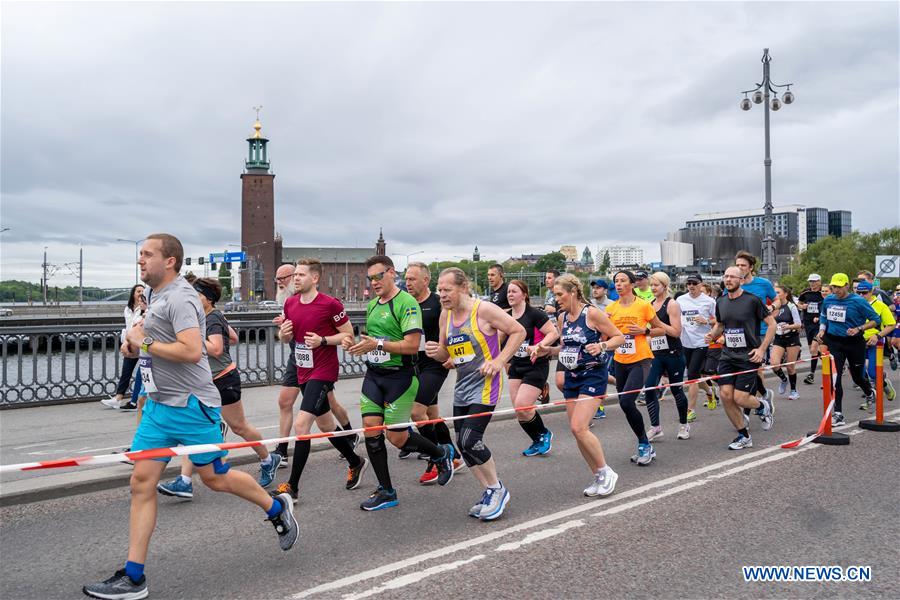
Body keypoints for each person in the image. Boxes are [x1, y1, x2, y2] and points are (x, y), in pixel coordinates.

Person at [83, 234, 297, 600]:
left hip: (193, 406)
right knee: (141, 482)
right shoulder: (154, 295)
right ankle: (134, 577)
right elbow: (152, 338)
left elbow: (192, 350)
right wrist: (134, 342)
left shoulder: (181, 297)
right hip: (158, 406)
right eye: (140, 255)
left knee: (215, 478)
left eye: (147, 255)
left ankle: (277, 507)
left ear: (169, 261)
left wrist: (145, 343)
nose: (140, 261)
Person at [344, 256, 455, 511]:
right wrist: (355, 345)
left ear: (392, 273)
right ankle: (386, 490)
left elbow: (412, 345)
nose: (374, 282)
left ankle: (440, 453)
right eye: (370, 278)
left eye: (378, 276)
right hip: (374, 375)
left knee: (397, 437)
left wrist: (378, 344)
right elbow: (373, 340)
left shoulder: (407, 304)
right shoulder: (372, 305)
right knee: (371, 430)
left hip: (400, 378)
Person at [156, 278, 282, 499]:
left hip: (223, 380)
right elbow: (232, 337)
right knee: (192, 428)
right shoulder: (204, 317)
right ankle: (185, 481)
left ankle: (268, 459)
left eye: (196, 294)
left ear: (208, 298)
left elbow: (216, 348)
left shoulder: (213, 317)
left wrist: (190, 340)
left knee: (239, 426)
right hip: (203, 382)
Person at [425, 267, 525, 520]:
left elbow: (518, 332)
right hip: (462, 386)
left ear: (463, 287)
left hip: (486, 385)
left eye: (447, 290)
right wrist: (435, 352)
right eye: (439, 290)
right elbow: (447, 354)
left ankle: (498, 489)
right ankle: (489, 490)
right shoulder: (445, 316)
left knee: (470, 440)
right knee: (461, 442)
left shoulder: (483, 310)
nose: (443, 295)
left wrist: (500, 360)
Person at [274, 259, 367, 502]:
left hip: (323, 371)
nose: (296, 278)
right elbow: (284, 337)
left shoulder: (330, 304)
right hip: (303, 370)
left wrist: (324, 341)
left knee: (302, 425)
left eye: (301, 275)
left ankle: (292, 487)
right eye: (294, 274)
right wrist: (282, 335)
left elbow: (348, 336)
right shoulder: (291, 303)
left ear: (315, 278)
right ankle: (356, 461)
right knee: (326, 426)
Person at [534, 274, 625, 494]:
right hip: (572, 376)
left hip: (593, 375)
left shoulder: (591, 313)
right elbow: (565, 348)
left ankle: (606, 471)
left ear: (573, 292)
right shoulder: (562, 317)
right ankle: (598, 476)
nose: (556, 299)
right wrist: (548, 351)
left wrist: (602, 347)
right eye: (554, 295)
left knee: (579, 427)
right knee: (577, 432)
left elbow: (618, 337)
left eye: (559, 294)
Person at [705, 266, 776, 451]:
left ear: (741, 280)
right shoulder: (720, 301)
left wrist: (761, 349)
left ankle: (762, 406)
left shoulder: (752, 301)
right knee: (726, 396)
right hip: (728, 355)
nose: (728, 279)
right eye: (726, 276)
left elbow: (772, 325)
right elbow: (721, 324)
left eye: (732, 277)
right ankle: (743, 436)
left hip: (748, 356)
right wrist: (712, 335)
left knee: (741, 398)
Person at [404, 262, 463, 485]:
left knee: (417, 413)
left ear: (426, 280)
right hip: (413, 364)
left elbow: (457, 329)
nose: (407, 283)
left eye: (412, 279)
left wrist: (454, 356)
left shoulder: (438, 303)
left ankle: (437, 460)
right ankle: (454, 457)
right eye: (406, 279)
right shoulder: (405, 303)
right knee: (432, 415)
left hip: (435, 364)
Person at [605, 270, 667, 465]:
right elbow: (605, 335)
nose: (619, 284)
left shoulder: (643, 306)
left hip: (640, 360)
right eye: (616, 281)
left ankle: (644, 444)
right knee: (626, 404)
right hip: (619, 361)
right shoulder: (612, 308)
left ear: (632, 284)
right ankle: (646, 443)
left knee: (625, 402)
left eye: (623, 280)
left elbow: (661, 329)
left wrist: (644, 331)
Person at [815, 273, 881, 427]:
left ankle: (869, 391)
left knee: (857, 377)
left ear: (846, 286)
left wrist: (859, 328)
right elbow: (824, 315)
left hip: (854, 342)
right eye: (833, 287)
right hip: (834, 342)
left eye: (839, 287)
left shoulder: (858, 301)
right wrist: (822, 329)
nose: (836, 290)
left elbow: (875, 320)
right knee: (835, 378)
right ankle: (838, 414)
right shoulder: (829, 299)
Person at [506, 279, 558, 456]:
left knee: (523, 405)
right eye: (508, 292)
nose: (510, 294)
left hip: (536, 365)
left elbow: (553, 332)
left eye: (514, 291)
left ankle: (544, 434)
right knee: (519, 411)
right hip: (516, 365)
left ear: (524, 295)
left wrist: (539, 345)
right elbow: (499, 339)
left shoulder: (535, 314)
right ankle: (536, 440)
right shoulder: (506, 316)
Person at [644, 272, 691, 440]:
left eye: (656, 285)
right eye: (652, 285)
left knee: (676, 389)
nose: (653, 288)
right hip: (656, 353)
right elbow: (652, 332)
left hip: (673, 353)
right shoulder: (649, 304)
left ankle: (684, 424)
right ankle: (655, 427)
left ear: (665, 285)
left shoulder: (672, 304)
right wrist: (647, 335)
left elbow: (676, 332)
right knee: (649, 388)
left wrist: (657, 322)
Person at [735, 251, 777, 414]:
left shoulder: (763, 283)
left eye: (743, 266)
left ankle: (747, 410)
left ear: (751, 268)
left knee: (755, 369)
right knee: (746, 371)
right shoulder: (732, 284)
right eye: (737, 265)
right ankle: (764, 395)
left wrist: (772, 308)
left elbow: (777, 300)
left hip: (760, 332)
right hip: (738, 334)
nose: (739, 268)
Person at [677, 274, 718, 421]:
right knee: (696, 376)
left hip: (701, 342)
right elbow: (675, 318)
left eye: (694, 283)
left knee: (692, 375)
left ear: (701, 284)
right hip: (684, 342)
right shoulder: (680, 300)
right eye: (688, 283)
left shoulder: (709, 301)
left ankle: (690, 410)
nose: (691, 286)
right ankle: (709, 392)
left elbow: (719, 321)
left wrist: (706, 320)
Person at [102, 284, 147, 411]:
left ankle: (135, 401)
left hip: (140, 344)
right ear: (133, 293)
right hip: (130, 344)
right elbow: (128, 327)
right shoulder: (127, 309)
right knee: (126, 372)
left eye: (142, 291)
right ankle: (118, 398)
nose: (140, 293)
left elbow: (137, 328)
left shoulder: (145, 310)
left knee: (141, 374)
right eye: (138, 291)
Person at [856, 280, 896, 407]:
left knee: (873, 373)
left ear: (871, 292)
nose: (862, 295)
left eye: (864, 293)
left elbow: (891, 325)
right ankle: (870, 396)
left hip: (876, 343)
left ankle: (884, 385)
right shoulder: (854, 304)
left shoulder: (880, 306)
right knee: (859, 375)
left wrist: (877, 335)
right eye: (859, 293)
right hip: (858, 343)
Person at [770, 284, 803, 401]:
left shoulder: (791, 306)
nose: (776, 295)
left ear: (785, 294)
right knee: (774, 364)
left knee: (790, 367)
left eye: (778, 292)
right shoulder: (773, 308)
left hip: (792, 338)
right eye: (775, 293)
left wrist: (787, 326)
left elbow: (799, 324)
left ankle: (794, 391)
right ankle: (784, 379)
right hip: (779, 339)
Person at [796, 274, 825, 385]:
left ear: (819, 281)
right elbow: (799, 303)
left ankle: (811, 374)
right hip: (808, 324)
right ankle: (833, 364)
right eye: (810, 281)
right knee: (813, 351)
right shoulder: (805, 292)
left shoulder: (823, 292)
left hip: (820, 324)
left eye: (814, 281)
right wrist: (801, 306)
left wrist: (821, 316)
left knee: (813, 348)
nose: (812, 283)